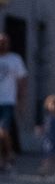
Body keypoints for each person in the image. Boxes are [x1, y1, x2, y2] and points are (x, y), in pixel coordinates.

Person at [0, 33, 24, 170]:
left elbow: (22, 81)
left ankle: (9, 153)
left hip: (8, 101)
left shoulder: (15, 59)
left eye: (4, 41)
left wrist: (21, 100)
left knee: (4, 131)